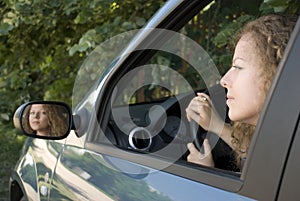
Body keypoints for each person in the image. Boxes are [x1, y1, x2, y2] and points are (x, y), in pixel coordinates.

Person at [185, 14, 297, 170]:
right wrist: (215, 125)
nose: (224, 80)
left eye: (238, 67)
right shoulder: (287, 142)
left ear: (275, 74)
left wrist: (203, 173)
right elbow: (255, 153)